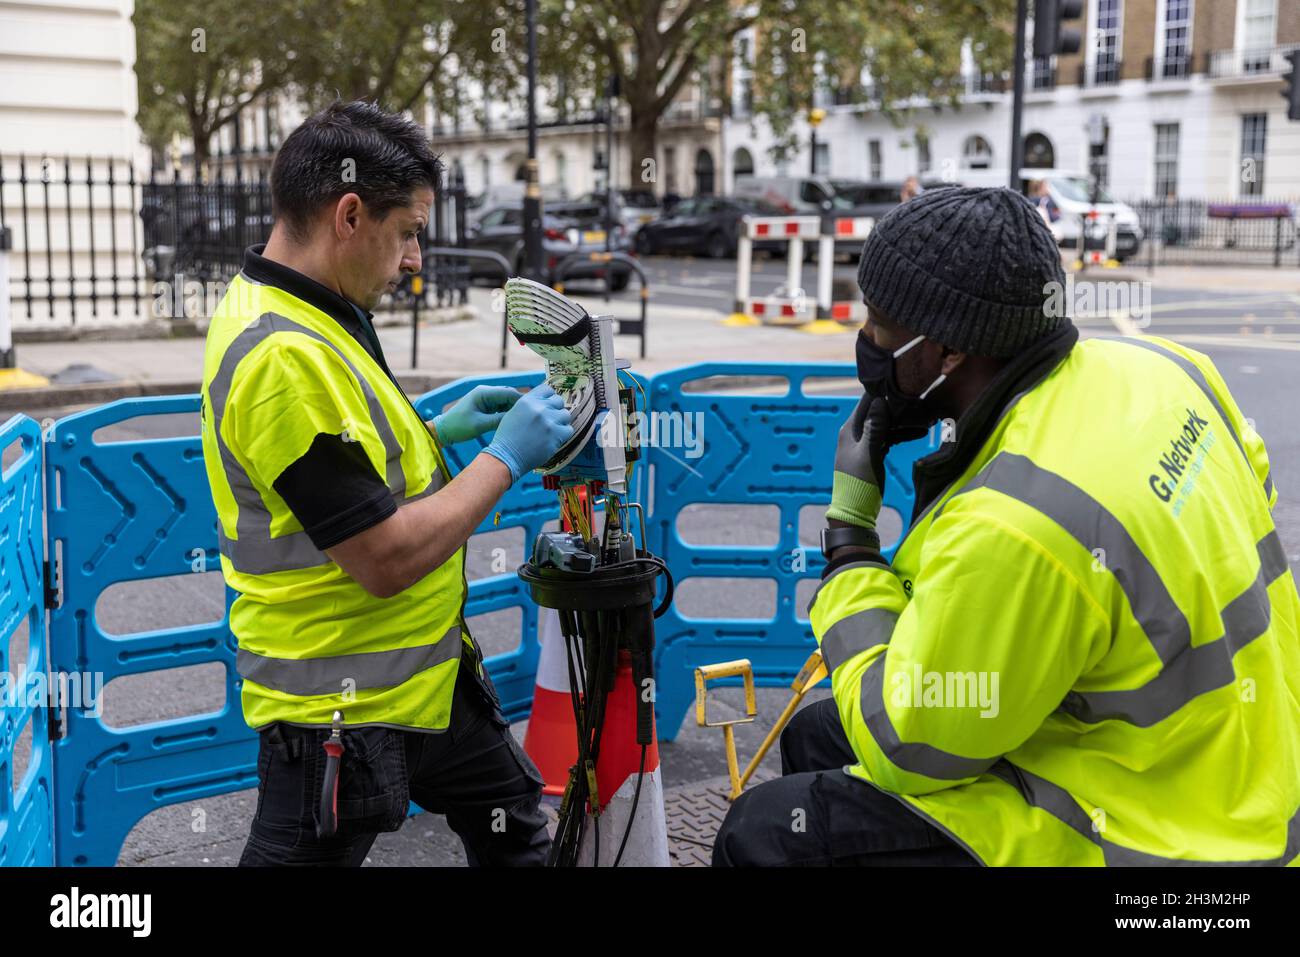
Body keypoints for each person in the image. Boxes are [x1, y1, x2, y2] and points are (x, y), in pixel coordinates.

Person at [714, 186, 1300, 866]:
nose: (868, 342)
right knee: (822, 730)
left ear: (948, 354)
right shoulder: (1169, 369)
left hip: (1162, 836)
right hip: (1245, 754)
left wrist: (849, 542)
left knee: (764, 833)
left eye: (877, 323)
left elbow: (911, 746)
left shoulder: (1020, 520)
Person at [199, 100, 575, 866]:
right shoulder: (281, 357)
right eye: (408, 232)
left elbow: (339, 477)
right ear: (348, 214)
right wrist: (505, 455)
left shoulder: (312, 305)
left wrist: (439, 432)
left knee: (515, 826)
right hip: (339, 709)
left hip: (422, 684)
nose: (415, 261)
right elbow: (383, 558)